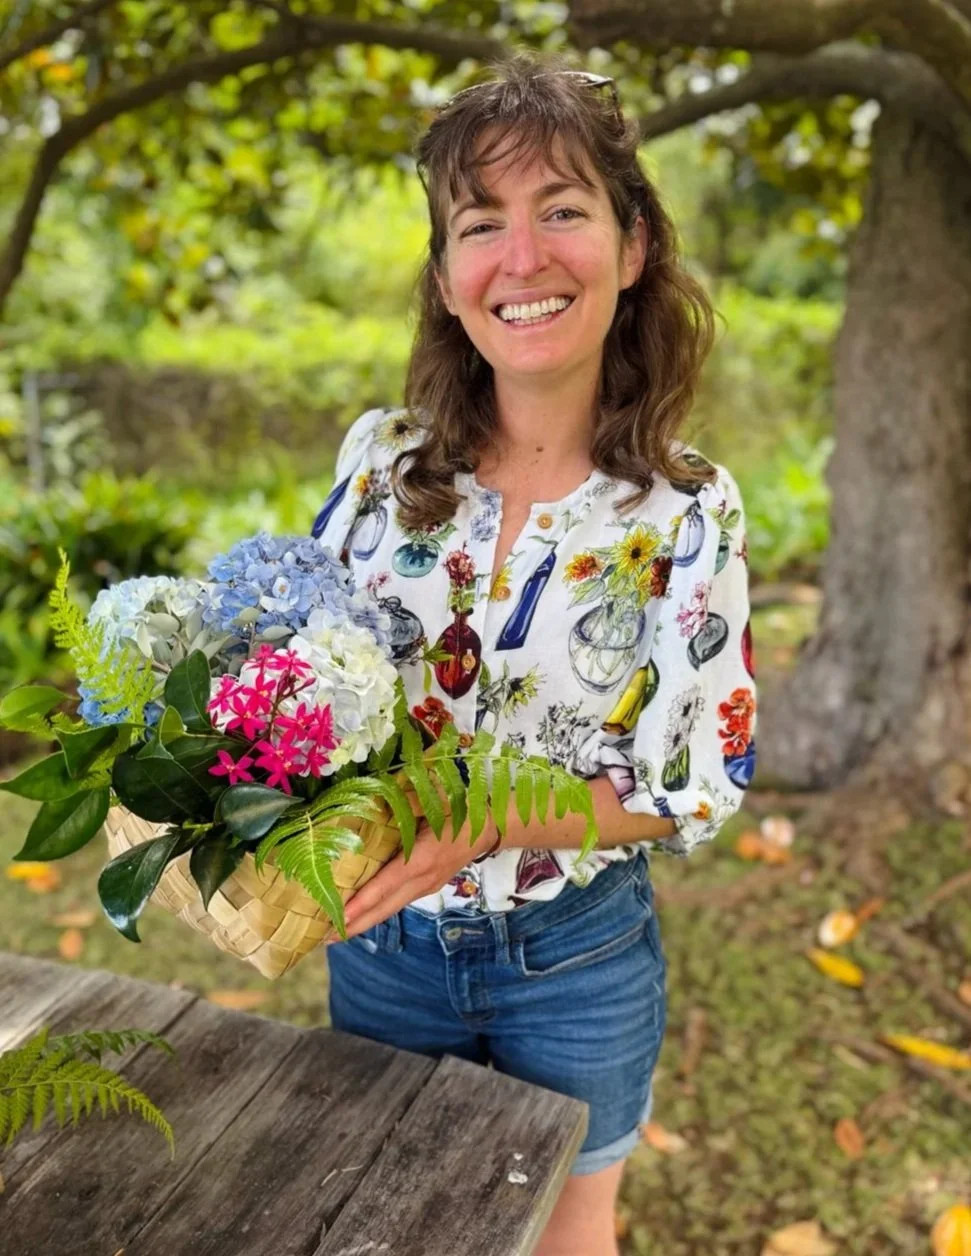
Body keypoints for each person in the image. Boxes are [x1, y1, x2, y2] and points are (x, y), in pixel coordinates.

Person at [311, 50, 757, 1256]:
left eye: (561, 209)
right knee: (385, 1226)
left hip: (578, 957)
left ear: (633, 243)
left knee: (565, 1237)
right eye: (479, 223)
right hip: (385, 944)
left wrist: (488, 822)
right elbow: (299, 684)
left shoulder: (685, 514)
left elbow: (693, 787)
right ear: (448, 278)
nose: (522, 259)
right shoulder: (379, 465)